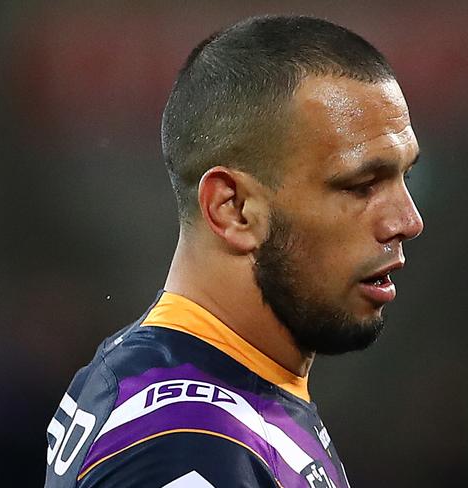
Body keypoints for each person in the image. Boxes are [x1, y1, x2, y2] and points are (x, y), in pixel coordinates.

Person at [44, 14, 423, 488]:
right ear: (234, 209)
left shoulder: (216, 385)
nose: (407, 222)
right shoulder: (187, 447)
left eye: (405, 176)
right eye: (362, 185)